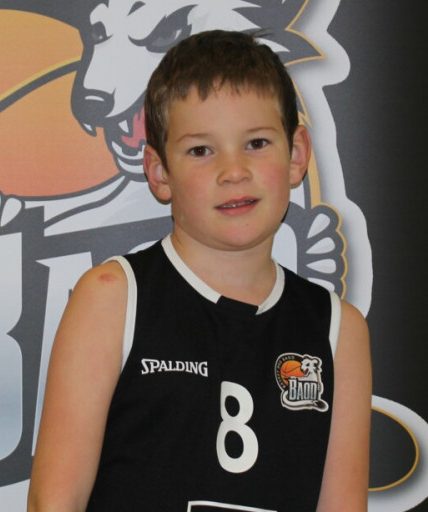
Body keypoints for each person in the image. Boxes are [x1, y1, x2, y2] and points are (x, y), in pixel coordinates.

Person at [27, 30, 371, 512]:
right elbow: (54, 502)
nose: (234, 171)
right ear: (159, 172)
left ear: (296, 155)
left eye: (256, 142)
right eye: (201, 151)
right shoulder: (112, 297)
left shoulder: (339, 330)